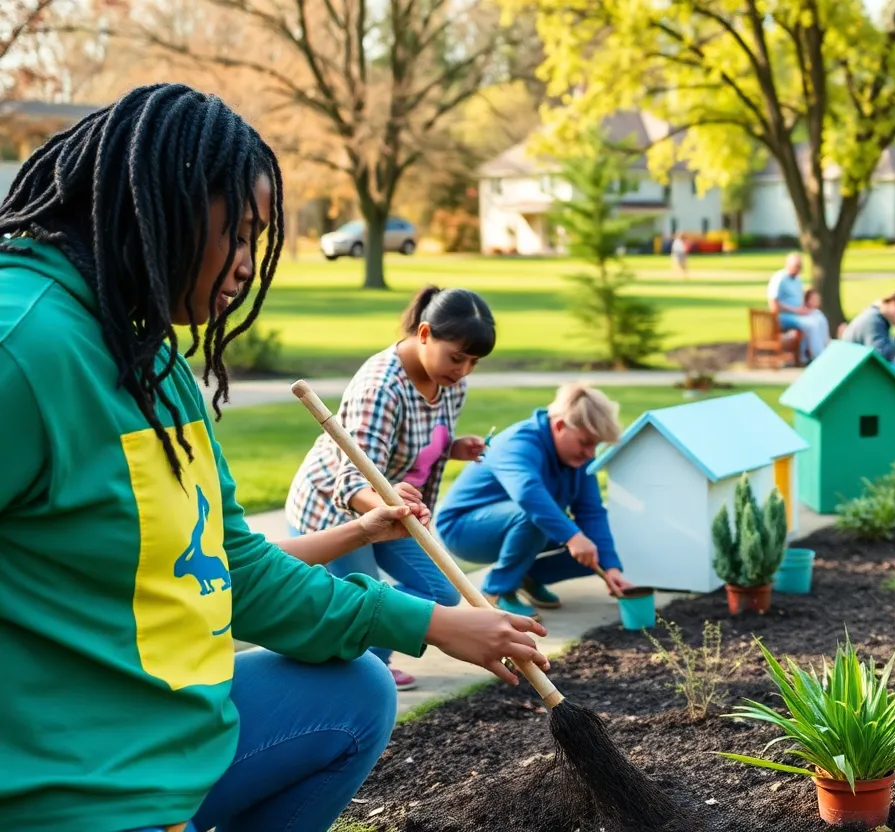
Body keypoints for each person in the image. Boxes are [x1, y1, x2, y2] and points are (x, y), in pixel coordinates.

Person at [0, 84, 549, 832]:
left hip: (172, 730)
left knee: (356, 693)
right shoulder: (22, 347)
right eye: (240, 233)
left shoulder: (148, 355)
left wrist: (431, 622)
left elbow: (234, 563)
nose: (245, 267)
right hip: (76, 785)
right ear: (163, 204)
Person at [286, 285, 494, 691]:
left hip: (394, 510)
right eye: (457, 357)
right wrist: (386, 512)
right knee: (369, 600)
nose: (464, 370)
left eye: (474, 362)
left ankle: (365, 646)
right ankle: (363, 672)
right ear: (424, 333)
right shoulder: (381, 387)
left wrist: (451, 448)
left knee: (443, 589)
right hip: (335, 512)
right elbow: (349, 481)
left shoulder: (450, 383)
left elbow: (411, 440)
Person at [434, 383, 633, 619]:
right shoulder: (518, 443)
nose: (591, 453)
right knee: (535, 516)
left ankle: (527, 577)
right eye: (585, 442)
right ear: (560, 426)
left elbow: (591, 512)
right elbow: (528, 493)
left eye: (596, 444)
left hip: (521, 524)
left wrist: (610, 567)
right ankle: (497, 592)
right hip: (464, 529)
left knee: (593, 545)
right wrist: (572, 536)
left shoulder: (579, 459)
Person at [767, 252, 829, 364]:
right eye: (796, 266)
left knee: (819, 316)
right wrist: (795, 310)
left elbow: (799, 301)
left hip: (798, 313)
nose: (798, 269)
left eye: (800, 266)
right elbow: (774, 302)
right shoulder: (779, 278)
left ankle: (823, 348)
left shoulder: (798, 280)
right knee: (811, 324)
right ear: (788, 265)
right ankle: (818, 357)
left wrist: (805, 309)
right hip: (783, 316)